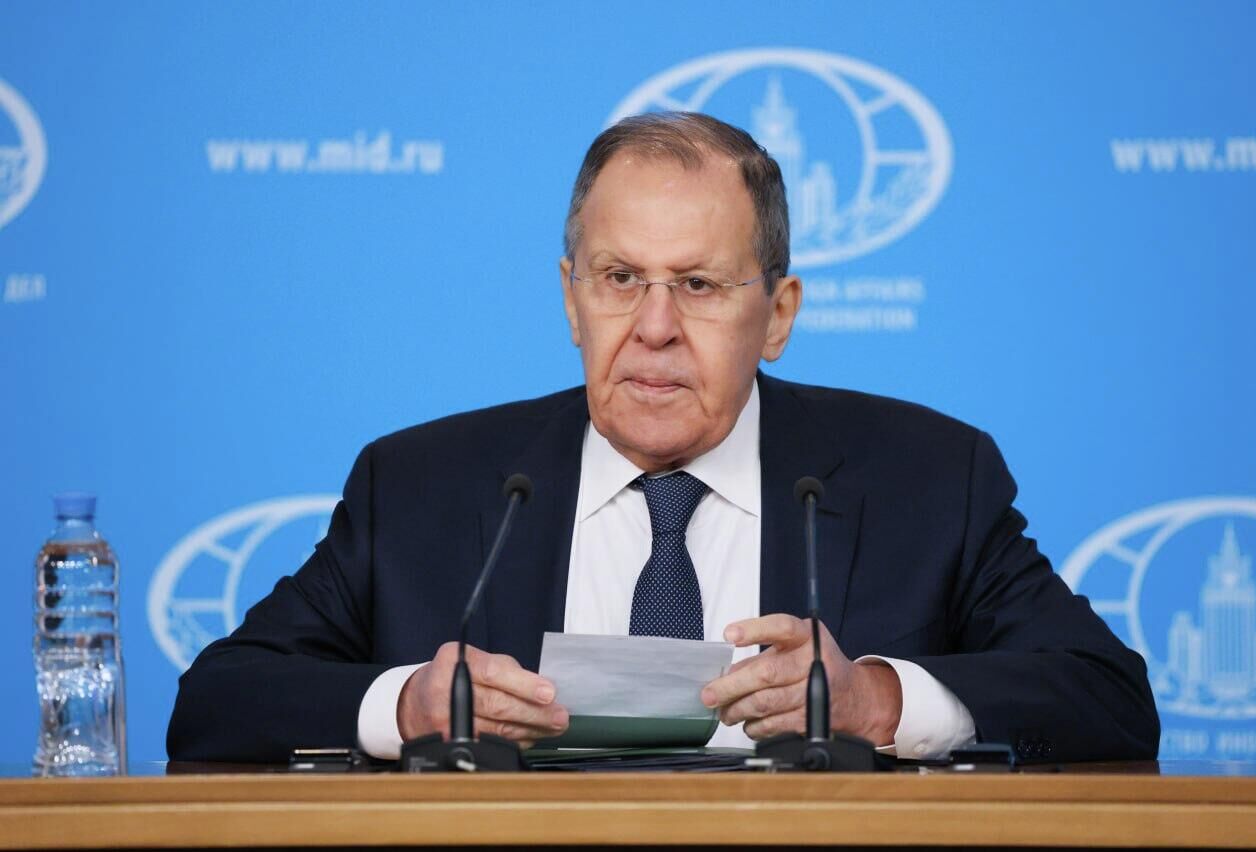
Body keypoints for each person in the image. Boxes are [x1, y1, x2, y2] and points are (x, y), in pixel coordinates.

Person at [167, 113, 1160, 764]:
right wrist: (407, 709)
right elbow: (217, 705)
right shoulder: (421, 485)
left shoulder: (928, 480)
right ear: (570, 299)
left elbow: (1108, 701)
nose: (653, 327)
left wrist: (876, 702)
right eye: (618, 279)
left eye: (698, 284)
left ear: (777, 314)